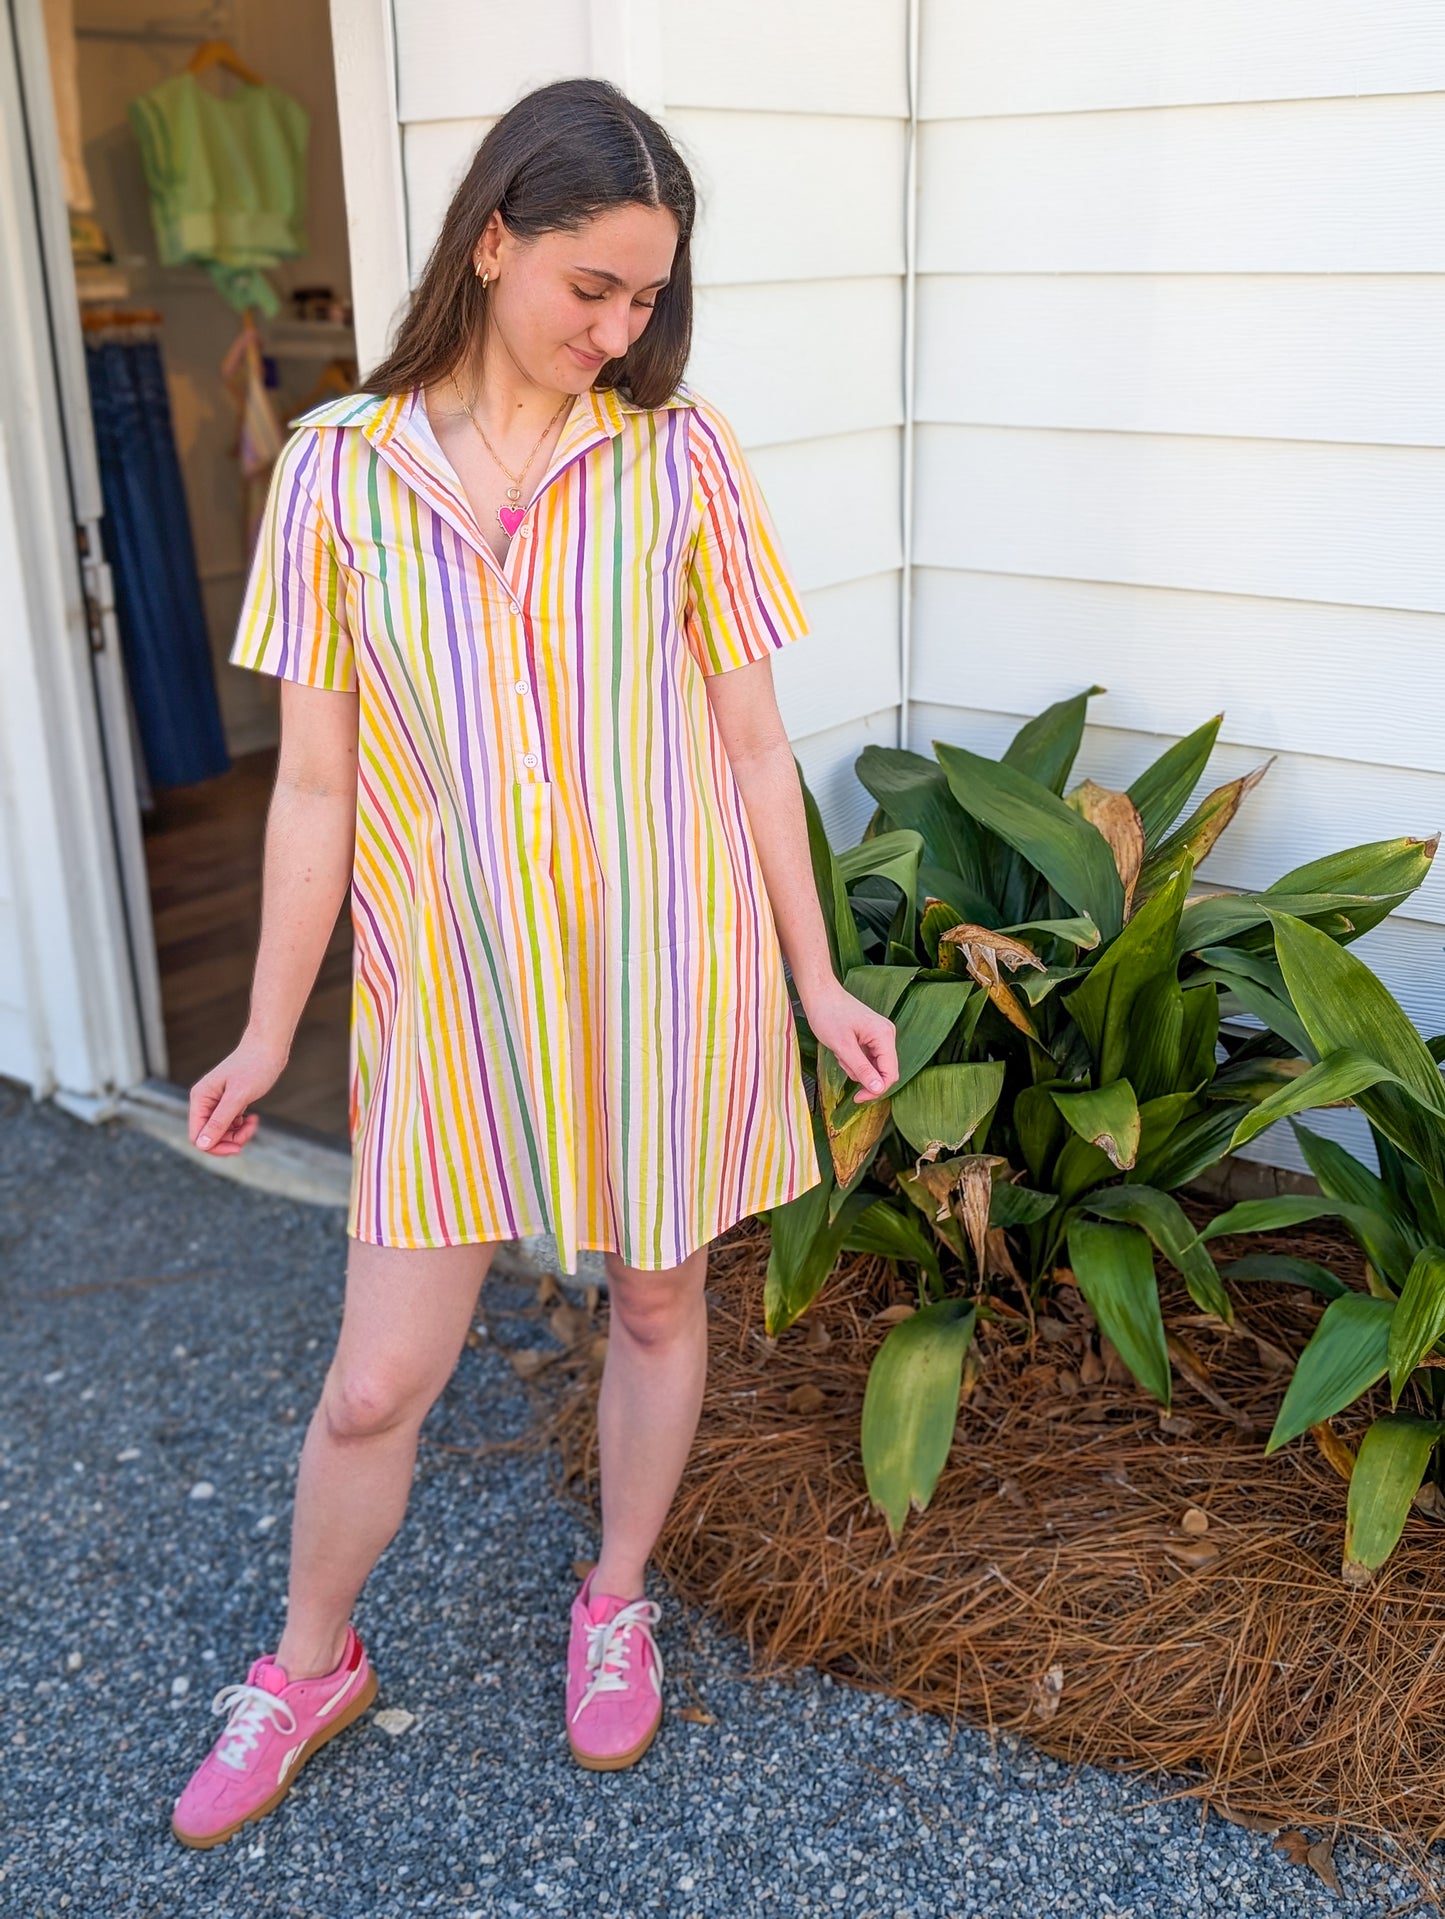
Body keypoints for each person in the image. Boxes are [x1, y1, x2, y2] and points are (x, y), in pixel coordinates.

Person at [171, 77, 898, 1850]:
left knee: (654, 1300)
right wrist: (271, 1025)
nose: (620, 329)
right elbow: (317, 789)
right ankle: (309, 1660)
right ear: (492, 240)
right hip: (449, 998)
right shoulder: (337, 471)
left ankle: (615, 1593)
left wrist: (812, 979)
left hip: (670, 974)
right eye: (592, 286)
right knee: (375, 1379)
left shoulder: (679, 457)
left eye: (648, 297)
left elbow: (746, 750)